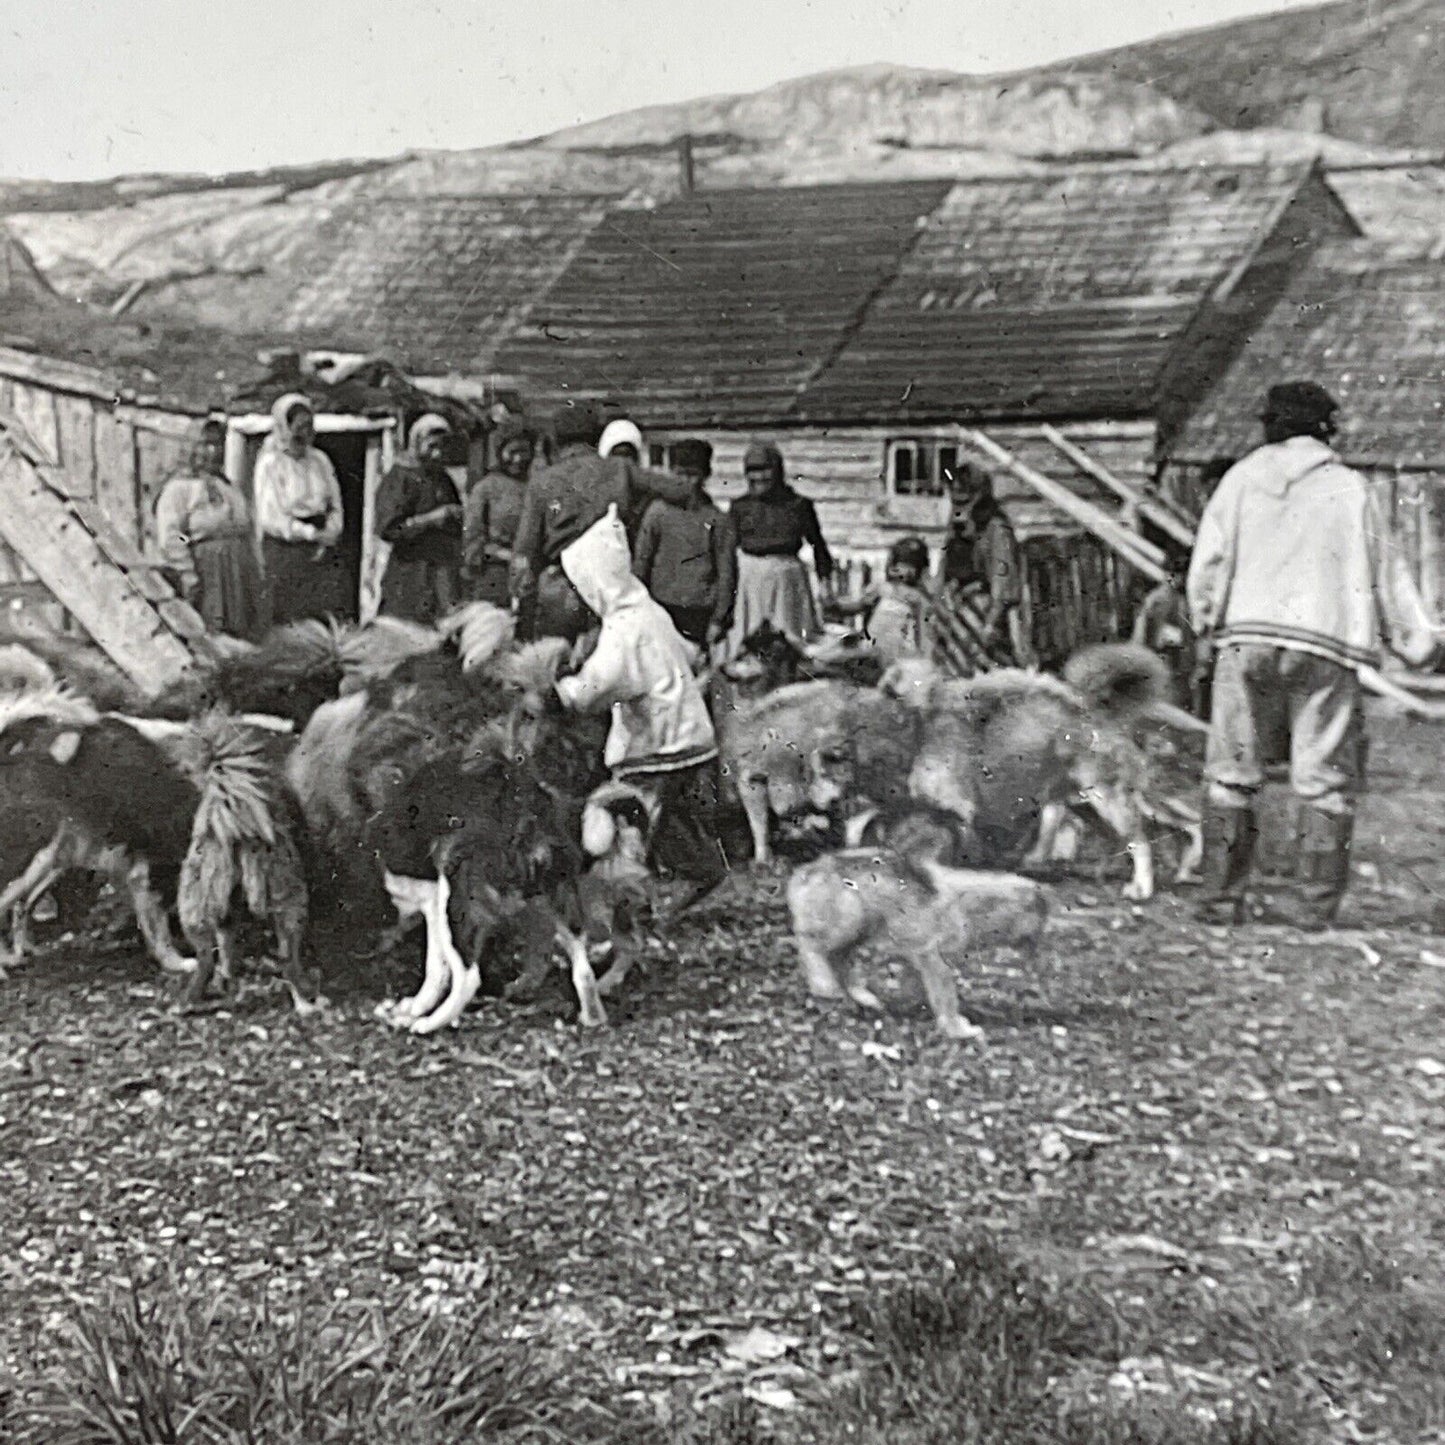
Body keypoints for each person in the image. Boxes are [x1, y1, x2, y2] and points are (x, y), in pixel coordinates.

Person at [1188, 381, 1441, 930]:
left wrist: (1206, 620)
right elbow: (1387, 572)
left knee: (1232, 769)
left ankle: (1219, 902)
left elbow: (1208, 562)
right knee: (1323, 775)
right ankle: (1311, 909)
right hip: (1324, 643)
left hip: (1247, 636)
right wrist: (1417, 643)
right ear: (1327, 428)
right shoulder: (1349, 489)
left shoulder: (1240, 480)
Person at [552, 504, 727, 903]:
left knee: (623, 821)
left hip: (654, 744)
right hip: (691, 738)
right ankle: (703, 871)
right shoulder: (650, 611)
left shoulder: (622, 631)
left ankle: (624, 901)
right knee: (671, 819)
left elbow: (600, 684)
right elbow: (688, 652)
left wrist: (564, 692)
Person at [509, 403, 699, 641]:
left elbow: (525, 550)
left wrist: (520, 598)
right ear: (597, 437)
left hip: (562, 588)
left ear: (557, 441)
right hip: (612, 587)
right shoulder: (620, 469)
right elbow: (680, 491)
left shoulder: (542, 482)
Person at [153, 419, 266, 640]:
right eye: (205, 444)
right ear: (190, 447)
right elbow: (170, 537)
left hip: (238, 573)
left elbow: (248, 530)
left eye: (218, 444)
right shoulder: (179, 489)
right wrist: (188, 574)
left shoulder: (229, 487)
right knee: (209, 635)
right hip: (206, 574)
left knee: (241, 636)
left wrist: (257, 569)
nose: (213, 451)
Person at [724, 440, 833, 659]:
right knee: (746, 643)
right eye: (752, 471)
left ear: (778, 471)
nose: (759, 477)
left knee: (791, 643)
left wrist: (825, 584)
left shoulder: (798, 505)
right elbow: (725, 551)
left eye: (765, 470)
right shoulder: (740, 507)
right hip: (750, 581)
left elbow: (818, 546)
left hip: (788, 582)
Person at [632, 438, 737, 652]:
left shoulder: (717, 519)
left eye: (693, 475)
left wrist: (718, 619)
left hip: (699, 612)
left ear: (705, 475)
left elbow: (727, 573)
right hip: (661, 608)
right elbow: (642, 561)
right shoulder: (657, 513)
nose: (686, 482)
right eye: (680, 474)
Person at [252, 393, 345, 625]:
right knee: (288, 616)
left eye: (309, 426)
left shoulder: (320, 461)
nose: (305, 433)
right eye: (299, 426)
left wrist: (331, 532)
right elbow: (270, 516)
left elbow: (334, 503)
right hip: (286, 549)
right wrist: (308, 533)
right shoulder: (271, 463)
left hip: (321, 545)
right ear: (285, 427)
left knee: (320, 612)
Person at [941, 464, 1036, 669]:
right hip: (961, 611)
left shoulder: (997, 529)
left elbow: (1003, 584)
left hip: (988, 613)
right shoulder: (959, 526)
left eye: (964, 500)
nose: (957, 506)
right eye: (954, 499)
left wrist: (990, 624)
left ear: (978, 496)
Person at [373, 413, 463, 624]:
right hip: (409, 572)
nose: (437, 454)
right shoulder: (400, 477)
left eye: (442, 447)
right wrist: (430, 519)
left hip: (441, 572)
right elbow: (388, 528)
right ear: (417, 442)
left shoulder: (442, 478)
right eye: (432, 446)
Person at [463, 415, 534, 605]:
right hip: (494, 579)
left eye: (524, 451)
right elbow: (472, 545)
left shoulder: (538, 486)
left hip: (531, 579)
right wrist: (507, 556)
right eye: (512, 451)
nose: (518, 459)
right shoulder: (485, 489)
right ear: (499, 451)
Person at [836, 535, 935, 668]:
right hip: (873, 648)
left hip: (895, 654)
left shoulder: (917, 598)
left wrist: (923, 657)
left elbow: (922, 632)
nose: (901, 571)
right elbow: (859, 605)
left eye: (908, 566)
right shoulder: (883, 589)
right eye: (899, 565)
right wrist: (837, 607)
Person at [1132, 555, 1197, 712]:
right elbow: (1141, 638)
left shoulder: (1185, 599)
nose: (1175, 579)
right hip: (1163, 664)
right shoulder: (1158, 600)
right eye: (1171, 574)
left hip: (1181, 669)